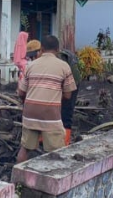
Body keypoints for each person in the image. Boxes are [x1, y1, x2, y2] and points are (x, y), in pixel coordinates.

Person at [16, 35, 77, 164]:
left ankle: (16, 181)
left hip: (30, 114)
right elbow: (68, 96)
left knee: (25, 149)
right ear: (58, 49)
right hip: (51, 114)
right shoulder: (64, 66)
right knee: (56, 152)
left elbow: (21, 92)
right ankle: (53, 181)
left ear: (41, 49)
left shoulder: (31, 66)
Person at [57, 48, 82, 146]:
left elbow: (67, 94)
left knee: (66, 111)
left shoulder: (59, 59)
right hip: (63, 81)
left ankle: (65, 142)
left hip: (72, 81)